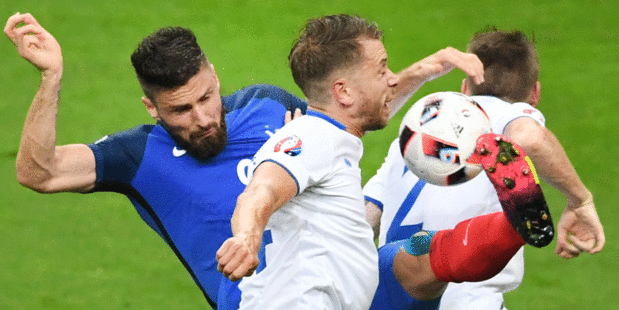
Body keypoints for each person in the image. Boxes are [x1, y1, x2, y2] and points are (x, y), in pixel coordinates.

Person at [5, 12, 487, 309]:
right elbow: (38, 171)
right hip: (272, 301)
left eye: (206, 97)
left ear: (214, 75)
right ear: (152, 108)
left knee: (425, 253)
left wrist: (427, 70)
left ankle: (521, 213)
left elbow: (346, 108)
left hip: (340, 280)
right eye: (180, 110)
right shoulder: (138, 155)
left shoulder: (267, 105)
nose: (202, 118)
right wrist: (51, 79)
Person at [215, 14, 560, 310]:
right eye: (382, 69)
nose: (393, 79)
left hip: (352, 295)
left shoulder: (336, 140)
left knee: (417, 247)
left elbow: (354, 223)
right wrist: (246, 237)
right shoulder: (312, 136)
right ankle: (512, 227)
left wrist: (425, 70)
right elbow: (261, 191)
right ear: (343, 92)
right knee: (419, 253)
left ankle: (516, 222)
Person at [363, 28, 605, 309]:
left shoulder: (412, 140)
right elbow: (531, 138)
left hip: (396, 290)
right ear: (534, 93)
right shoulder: (502, 118)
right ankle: (505, 231)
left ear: (465, 87)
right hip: (469, 298)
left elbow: (366, 218)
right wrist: (580, 200)